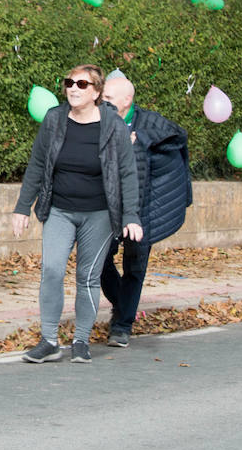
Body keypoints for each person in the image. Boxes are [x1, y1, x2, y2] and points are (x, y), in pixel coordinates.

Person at [13, 64, 141, 364]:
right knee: (52, 270)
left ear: (96, 92)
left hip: (99, 214)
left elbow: (127, 173)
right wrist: (22, 207)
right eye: (69, 82)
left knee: (87, 277)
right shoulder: (55, 119)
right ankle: (48, 341)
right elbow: (36, 164)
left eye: (82, 84)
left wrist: (131, 215)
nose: (73, 88)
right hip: (59, 209)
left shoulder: (113, 126)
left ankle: (81, 339)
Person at [98, 74, 191, 348]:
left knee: (134, 266)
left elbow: (175, 143)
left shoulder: (150, 122)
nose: (103, 103)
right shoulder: (99, 121)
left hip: (145, 208)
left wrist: (142, 143)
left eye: (109, 99)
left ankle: (122, 326)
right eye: (102, 98)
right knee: (100, 261)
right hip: (109, 207)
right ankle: (123, 304)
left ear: (128, 100)